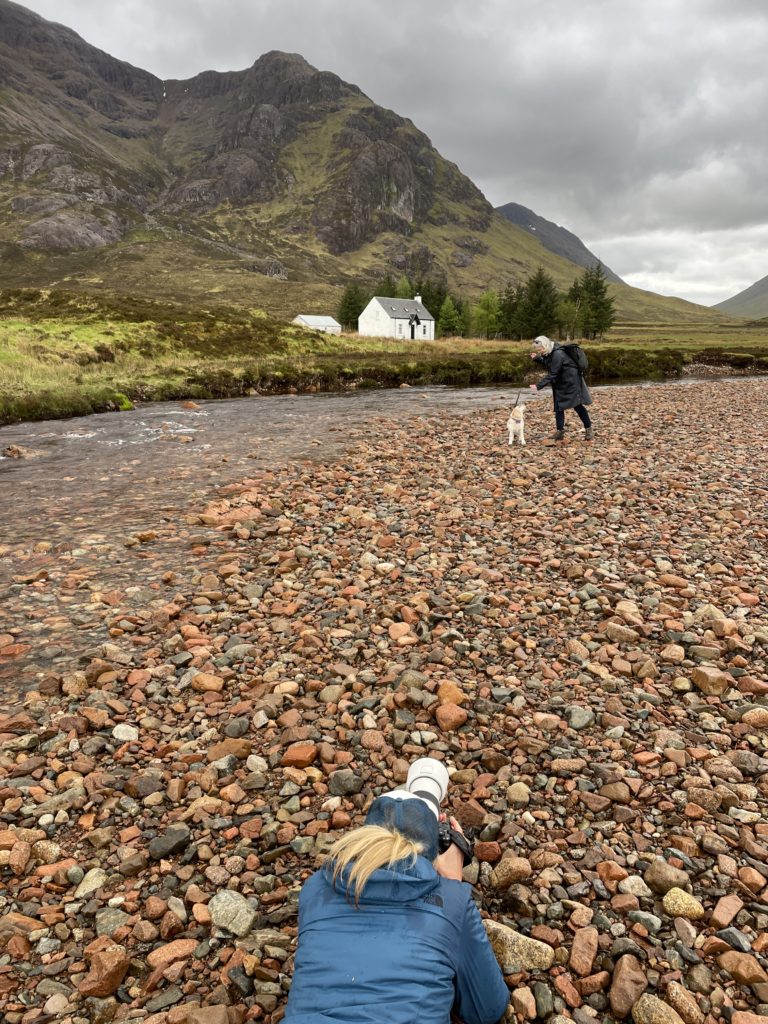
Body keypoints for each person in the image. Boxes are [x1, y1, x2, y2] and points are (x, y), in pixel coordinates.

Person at [282, 792, 510, 1024]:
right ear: (430, 853)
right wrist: (450, 886)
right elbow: (487, 1010)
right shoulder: (452, 901)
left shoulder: (316, 888)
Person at [529, 335, 593, 440]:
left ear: (545, 345)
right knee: (559, 407)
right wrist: (537, 358)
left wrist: (538, 386)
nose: (539, 351)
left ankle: (589, 429)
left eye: (540, 349)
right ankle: (560, 432)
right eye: (537, 350)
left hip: (571, 382)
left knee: (577, 406)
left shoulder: (558, 354)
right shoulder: (551, 351)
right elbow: (550, 364)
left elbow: (553, 373)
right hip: (561, 383)